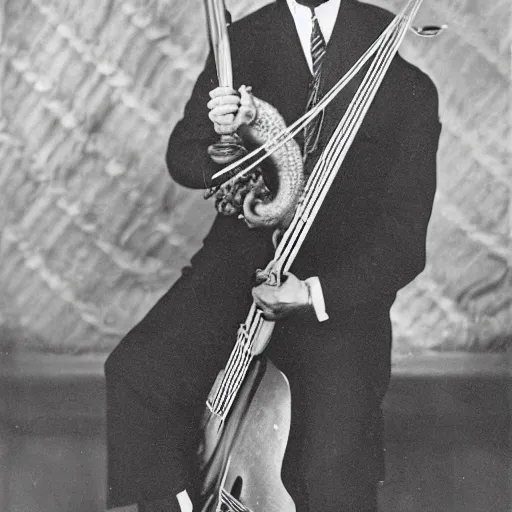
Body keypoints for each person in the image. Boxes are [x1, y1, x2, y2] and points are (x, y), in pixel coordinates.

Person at [104, 0, 442, 511]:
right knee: (138, 373)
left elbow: (402, 243)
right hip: (239, 266)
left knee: (331, 460)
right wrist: (217, 155)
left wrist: (311, 295)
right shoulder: (241, 41)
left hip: (335, 290)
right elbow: (185, 152)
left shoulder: (398, 69)